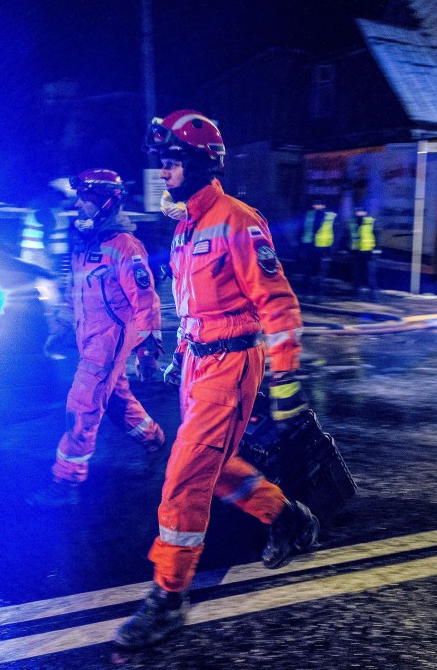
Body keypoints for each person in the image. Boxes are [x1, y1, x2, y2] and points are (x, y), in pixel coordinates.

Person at [114, 110, 319, 650]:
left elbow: (277, 303)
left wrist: (286, 380)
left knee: (183, 475)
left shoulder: (236, 221)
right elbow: (196, 308)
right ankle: (288, 518)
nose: (164, 170)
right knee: (216, 466)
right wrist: (181, 355)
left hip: (231, 369)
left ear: (203, 163)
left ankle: (168, 597)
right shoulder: (187, 228)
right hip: (200, 365)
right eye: (162, 160)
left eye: (174, 160)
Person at [27, 168, 165, 507]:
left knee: (83, 405)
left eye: (84, 199)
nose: (77, 205)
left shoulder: (125, 247)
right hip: (88, 337)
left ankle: (65, 483)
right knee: (117, 402)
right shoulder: (85, 243)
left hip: (110, 340)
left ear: (105, 202)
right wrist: (60, 327)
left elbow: (145, 299)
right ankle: (156, 443)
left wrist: (148, 346)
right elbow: (75, 294)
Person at [300, 198, 339, 299]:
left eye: (319, 205)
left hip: (323, 248)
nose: (317, 207)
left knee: (321, 272)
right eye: (315, 205)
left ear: (324, 206)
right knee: (308, 270)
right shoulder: (309, 214)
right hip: (310, 246)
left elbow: (336, 233)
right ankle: (306, 292)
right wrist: (302, 247)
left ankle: (318, 295)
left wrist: (333, 249)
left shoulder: (331, 216)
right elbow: (303, 229)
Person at [349, 207, 379, 300]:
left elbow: (376, 235)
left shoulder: (371, 221)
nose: (360, 213)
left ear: (365, 212)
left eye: (361, 211)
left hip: (368, 253)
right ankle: (356, 295)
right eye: (358, 211)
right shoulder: (352, 222)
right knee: (356, 275)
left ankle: (373, 296)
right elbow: (348, 236)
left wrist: (376, 250)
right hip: (356, 252)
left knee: (370, 275)